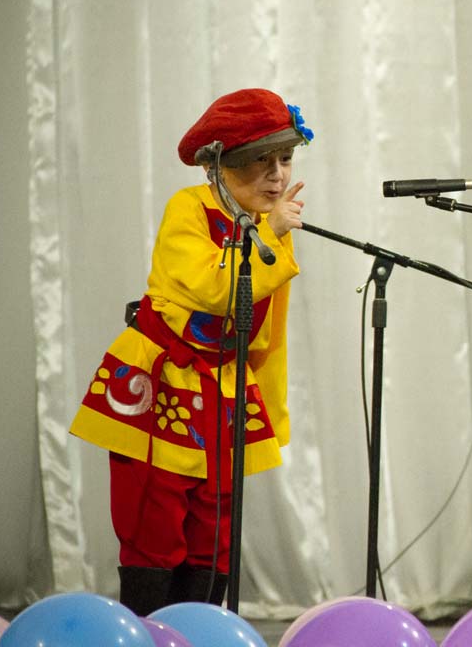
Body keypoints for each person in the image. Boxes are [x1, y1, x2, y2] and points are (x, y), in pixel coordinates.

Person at [69, 88, 314, 615]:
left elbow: (266, 330)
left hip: (221, 389)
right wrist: (269, 232)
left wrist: (266, 402)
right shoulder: (190, 209)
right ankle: (147, 628)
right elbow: (213, 288)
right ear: (219, 165)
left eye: (285, 158)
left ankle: (199, 630)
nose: (276, 174)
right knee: (152, 522)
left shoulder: (272, 221)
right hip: (163, 386)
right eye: (258, 160)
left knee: (215, 529)